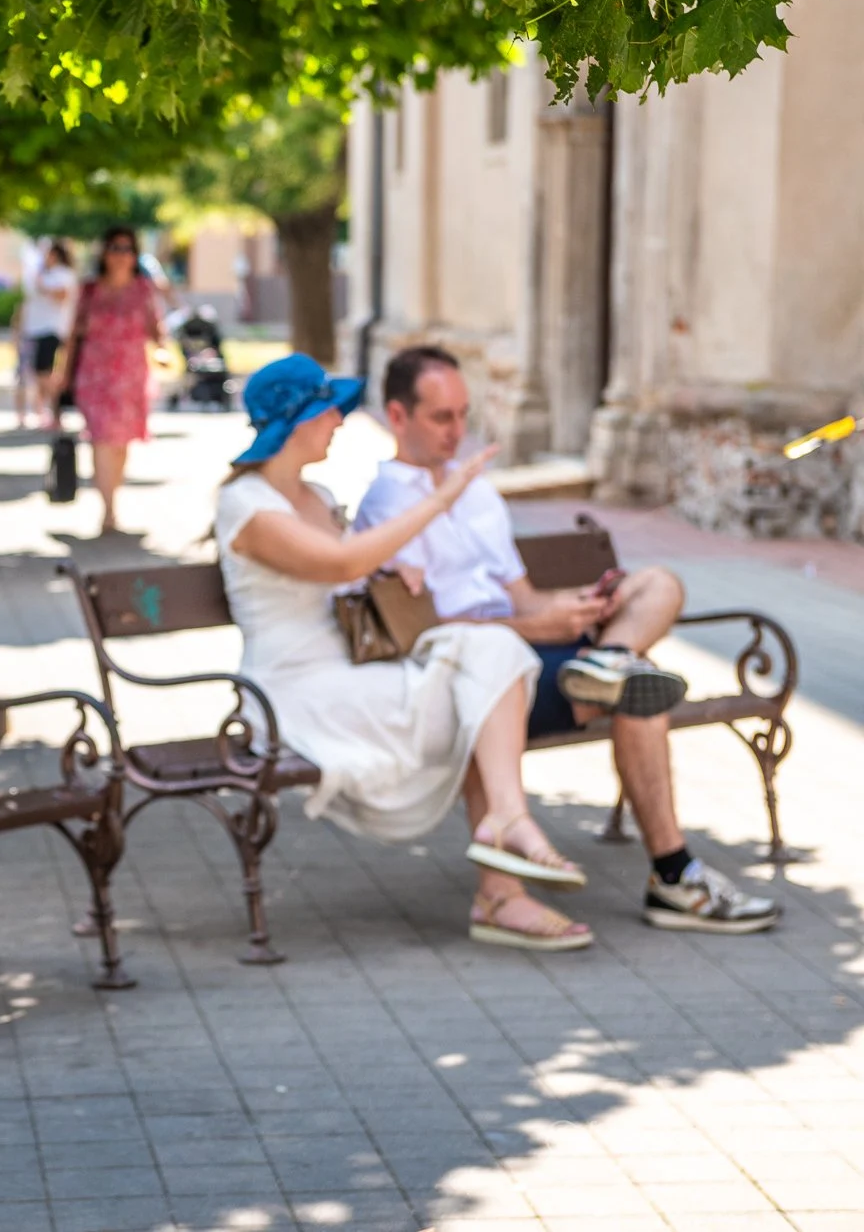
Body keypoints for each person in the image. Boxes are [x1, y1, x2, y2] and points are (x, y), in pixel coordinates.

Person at [355, 346, 781, 934]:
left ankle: (609, 658)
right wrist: (535, 627)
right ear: (397, 417)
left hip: (526, 645)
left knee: (658, 585)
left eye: (464, 414)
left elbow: (521, 595)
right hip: (471, 675)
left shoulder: (474, 489)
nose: (458, 432)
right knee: (639, 690)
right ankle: (673, 874)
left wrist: (573, 606)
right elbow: (425, 635)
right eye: (441, 417)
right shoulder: (387, 505)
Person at [217, 353, 595, 951]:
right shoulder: (246, 507)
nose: (339, 421)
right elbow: (341, 561)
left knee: (490, 652)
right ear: (299, 421)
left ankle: (507, 822)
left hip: (351, 671)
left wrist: (391, 573)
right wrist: (441, 500)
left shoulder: (315, 494)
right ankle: (501, 890)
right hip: (293, 690)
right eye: (329, 411)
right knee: (481, 692)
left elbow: (348, 575)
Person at [62, 227, 164, 534]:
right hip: (96, 376)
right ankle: (108, 509)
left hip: (131, 377)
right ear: (104, 253)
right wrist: (61, 374)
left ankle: (113, 497)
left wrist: (163, 350)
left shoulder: (143, 289)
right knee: (102, 439)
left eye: (127, 249)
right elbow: (72, 334)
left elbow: (156, 328)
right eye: (115, 249)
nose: (121, 256)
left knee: (121, 444)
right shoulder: (90, 290)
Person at [16, 241, 78, 429]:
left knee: (46, 374)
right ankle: (44, 412)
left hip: (51, 330)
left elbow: (62, 296)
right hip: (34, 330)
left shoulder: (63, 275)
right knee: (38, 374)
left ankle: (55, 413)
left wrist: (40, 283)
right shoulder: (40, 274)